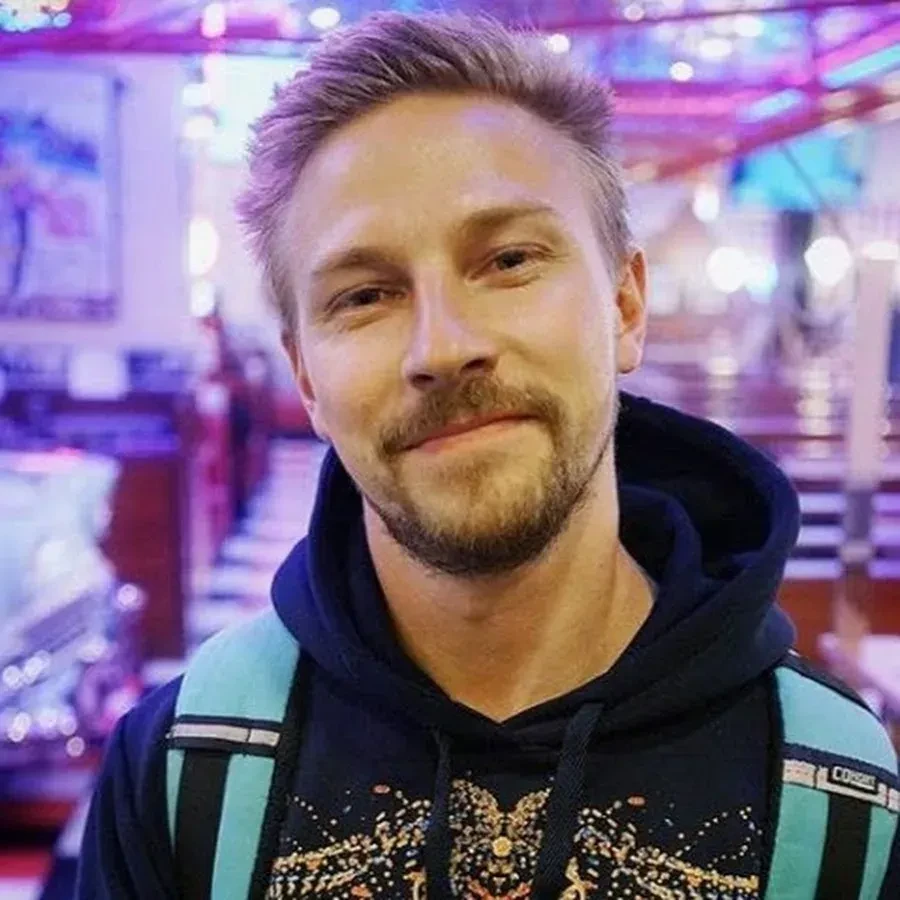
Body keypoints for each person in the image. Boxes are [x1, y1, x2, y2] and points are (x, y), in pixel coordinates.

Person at [76, 12, 898, 899]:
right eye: (365, 295)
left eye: (508, 260)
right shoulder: (186, 772)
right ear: (306, 377)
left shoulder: (841, 802)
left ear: (624, 306)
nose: (443, 346)